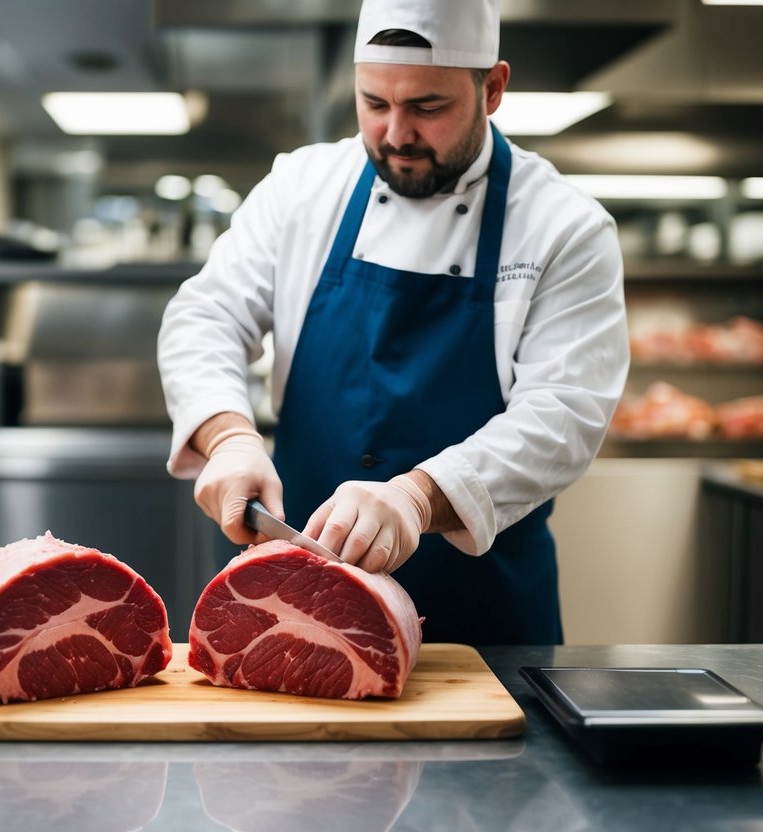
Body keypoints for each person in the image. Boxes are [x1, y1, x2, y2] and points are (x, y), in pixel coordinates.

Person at [156, 0, 630, 645]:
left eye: (427, 107)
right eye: (373, 103)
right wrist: (230, 437)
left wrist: (417, 496)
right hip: (295, 603)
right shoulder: (303, 186)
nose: (396, 133)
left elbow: (564, 412)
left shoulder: (563, 226)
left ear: (492, 88)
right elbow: (206, 315)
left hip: (484, 613)